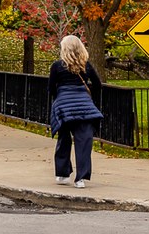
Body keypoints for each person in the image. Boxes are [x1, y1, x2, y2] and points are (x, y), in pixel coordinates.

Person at [48, 35, 102, 189]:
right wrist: (88, 96)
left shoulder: (57, 66)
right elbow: (98, 84)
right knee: (84, 142)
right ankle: (81, 179)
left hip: (64, 108)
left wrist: (59, 98)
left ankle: (63, 174)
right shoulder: (86, 65)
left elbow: (51, 88)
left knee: (64, 139)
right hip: (84, 107)